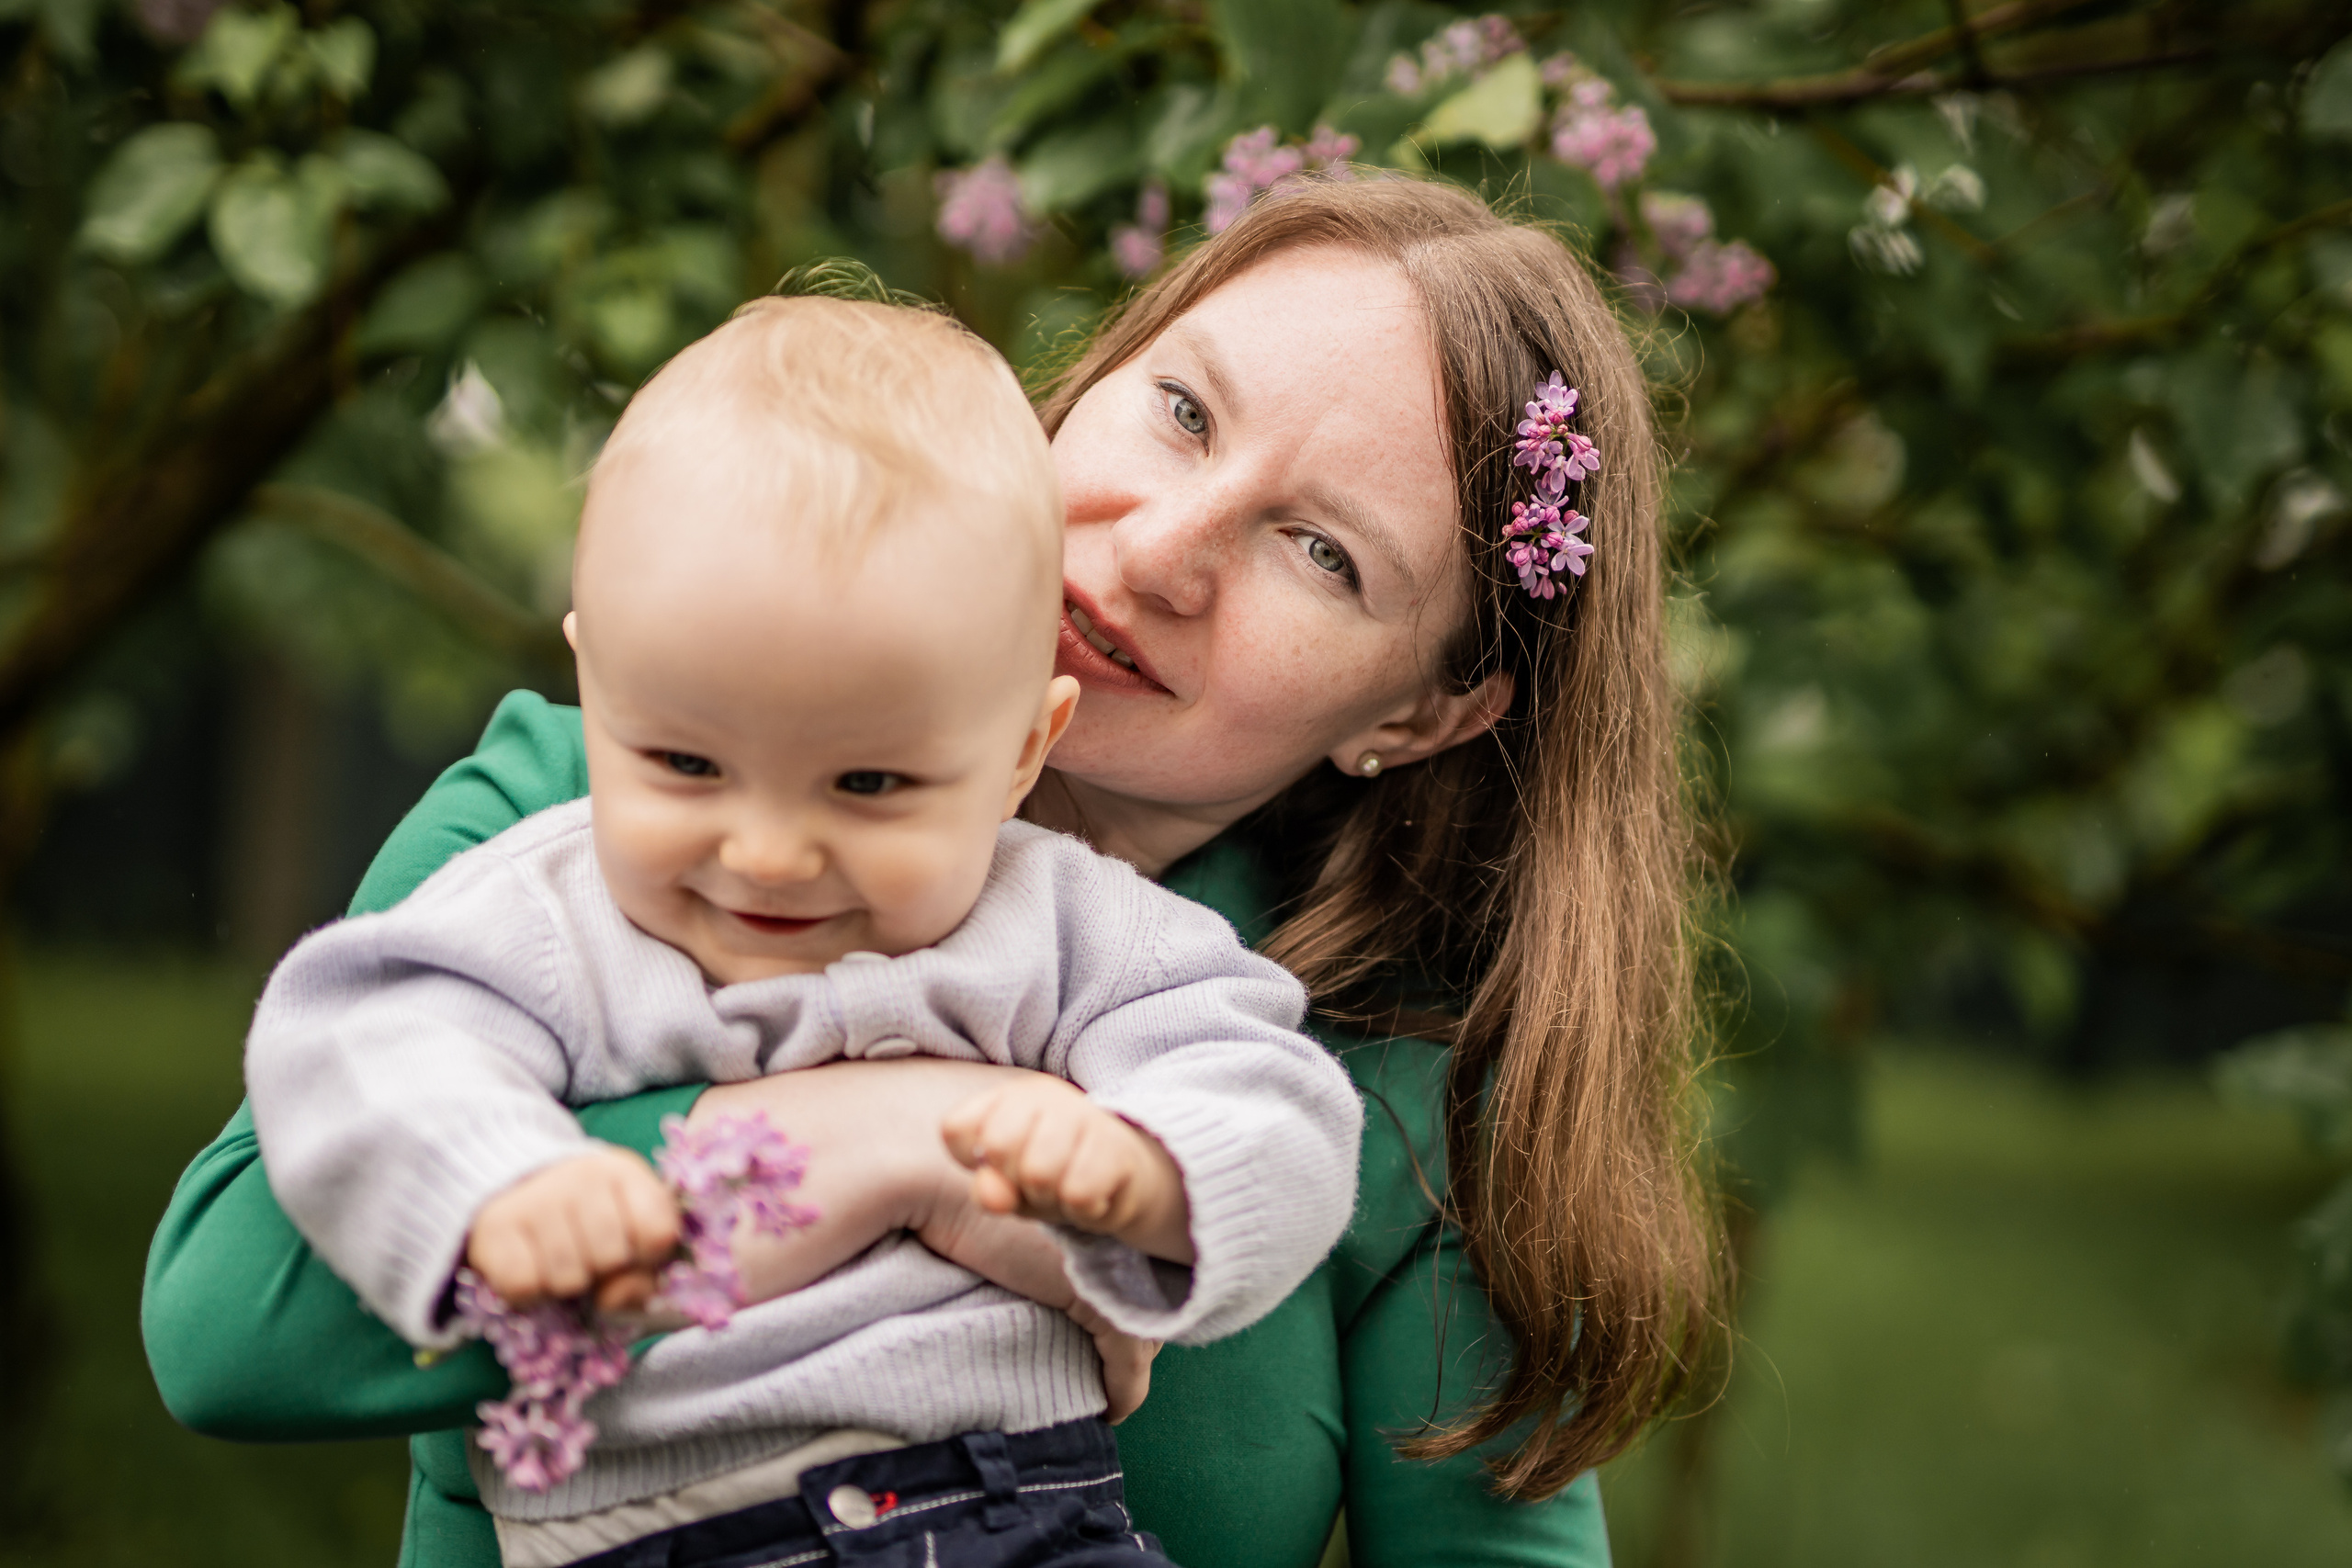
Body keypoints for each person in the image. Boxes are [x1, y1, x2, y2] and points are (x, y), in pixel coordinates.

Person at [146, 175, 1719, 1568]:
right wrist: (888, 1141)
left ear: (1427, 710)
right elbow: (233, 1334)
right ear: (1095, 372)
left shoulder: (1379, 1087)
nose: (1166, 548)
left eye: (1323, 552)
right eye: (1182, 410)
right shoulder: (587, 814)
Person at [240, 295, 1364, 1568]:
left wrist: (1161, 1172)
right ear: (592, 681)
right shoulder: (550, 909)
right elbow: (354, 1036)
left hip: (1015, 1514)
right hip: (658, 1532)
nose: (766, 851)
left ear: (1018, 754)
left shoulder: (1060, 921)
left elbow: (1273, 1089)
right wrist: (499, 1188)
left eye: (868, 786)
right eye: (684, 762)